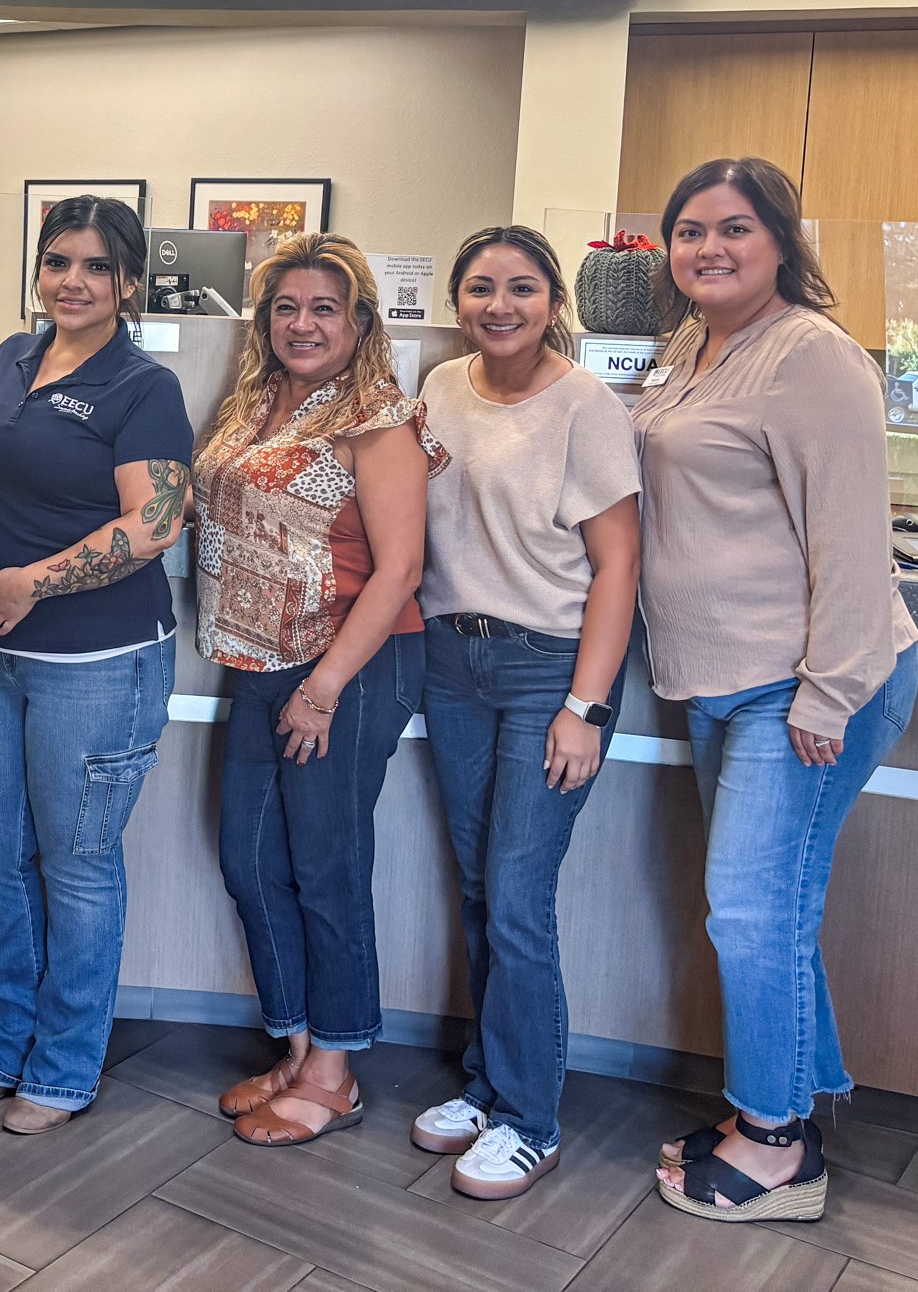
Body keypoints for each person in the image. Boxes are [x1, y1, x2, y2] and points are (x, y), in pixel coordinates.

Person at [640, 158, 918, 1224]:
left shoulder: (811, 356)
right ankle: (789, 1099)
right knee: (773, 912)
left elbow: (850, 542)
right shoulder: (694, 345)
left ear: (779, 241)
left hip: (799, 687)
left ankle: (776, 1150)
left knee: (750, 914)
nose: (706, 247)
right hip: (722, 679)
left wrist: (826, 694)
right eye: (688, 230)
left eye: (733, 228)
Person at [0, 195, 192, 1136]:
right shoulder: (8, 361)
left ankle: (65, 1062)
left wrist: (34, 583)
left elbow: (154, 522)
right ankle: (5, 1039)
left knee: (76, 865)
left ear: (127, 281)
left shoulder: (142, 385)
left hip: (100, 661)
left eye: (94, 266)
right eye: (57, 263)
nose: (72, 282)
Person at [195, 232, 446, 1148]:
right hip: (255, 657)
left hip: (349, 664)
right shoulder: (255, 401)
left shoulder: (376, 416)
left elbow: (401, 567)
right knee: (248, 860)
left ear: (360, 323)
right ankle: (298, 1048)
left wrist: (327, 687)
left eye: (324, 309)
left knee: (325, 867)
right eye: (286, 308)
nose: (302, 324)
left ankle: (337, 1070)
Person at [408, 226, 640, 1199]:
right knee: (475, 887)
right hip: (450, 658)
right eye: (478, 287)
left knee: (514, 895)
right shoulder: (439, 389)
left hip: (548, 667)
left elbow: (617, 562)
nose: (497, 305)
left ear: (553, 300)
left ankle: (526, 1118)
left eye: (520, 288)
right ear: (457, 298)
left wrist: (582, 705)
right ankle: (486, 1080)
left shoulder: (583, 402)